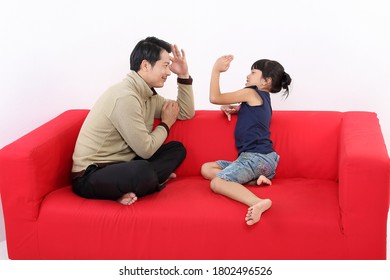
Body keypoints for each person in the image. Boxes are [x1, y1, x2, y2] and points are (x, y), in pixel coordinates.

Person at [71, 36, 195, 205]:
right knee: (141, 170)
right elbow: (146, 150)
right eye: (165, 66)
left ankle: (142, 183)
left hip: (122, 166)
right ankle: (148, 181)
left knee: (176, 149)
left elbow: (185, 113)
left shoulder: (148, 96)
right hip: (91, 175)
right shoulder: (125, 97)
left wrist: (183, 75)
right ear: (145, 65)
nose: (168, 72)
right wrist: (166, 124)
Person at [201, 55, 291, 225]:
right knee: (207, 169)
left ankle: (257, 202)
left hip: (257, 157)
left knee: (217, 182)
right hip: (262, 160)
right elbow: (254, 117)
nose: (248, 76)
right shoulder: (262, 99)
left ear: (265, 81)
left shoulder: (251, 92)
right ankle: (255, 180)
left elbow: (214, 97)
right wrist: (236, 110)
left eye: (253, 72)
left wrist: (216, 70)